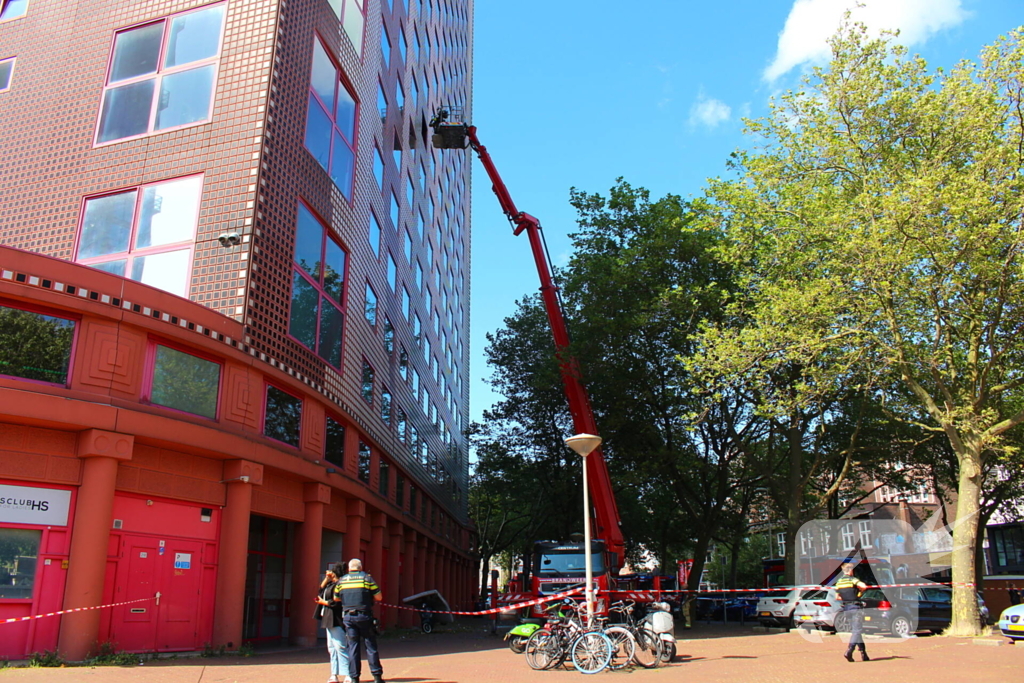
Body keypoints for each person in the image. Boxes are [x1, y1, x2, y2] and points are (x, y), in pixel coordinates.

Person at [335, 558, 384, 683]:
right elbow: (379, 597)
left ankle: (354, 677)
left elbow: (336, 598)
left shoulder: (342, 580)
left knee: (353, 647)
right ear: (360, 567)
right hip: (364, 616)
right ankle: (377, 676)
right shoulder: (366, 578)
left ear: (349, 568)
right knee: (370, 645)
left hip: (348, 617)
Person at [316, 563, 350, 683]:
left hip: (336, 618)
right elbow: (320, 590)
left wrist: (324, 603)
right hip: (328, 618)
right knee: (332, 648)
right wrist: (326, 579)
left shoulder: (341, 585)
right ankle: (334, 674)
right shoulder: (331, 584)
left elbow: (337, 603)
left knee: (340, 646)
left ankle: (348, 674)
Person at [835, 562, 870, 662]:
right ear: (851, 570)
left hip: (846, 608)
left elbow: (837, 597)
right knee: (857, 631)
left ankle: (864, 654)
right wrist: (859, 593)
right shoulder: (852, 579)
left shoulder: (839, 582)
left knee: (856, 631)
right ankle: (849, 651)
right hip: (855, 607)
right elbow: (864, 586)